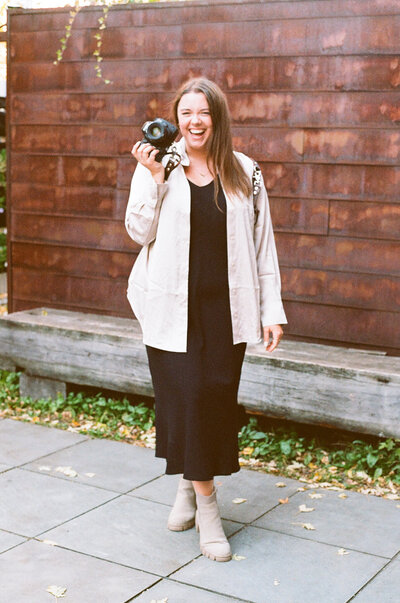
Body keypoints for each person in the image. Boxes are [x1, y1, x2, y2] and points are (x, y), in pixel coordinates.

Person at [125, 77, 287, 562]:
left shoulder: (245, 171)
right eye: (187, 112)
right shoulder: (157, 165)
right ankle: (210, 508)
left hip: (225, 312)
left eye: (204, 112)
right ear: (177, 118)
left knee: (212, 402)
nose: (195, 122)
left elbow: (264, 246)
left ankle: (187, 490)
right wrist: (153, 181)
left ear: (217, 117)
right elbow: (137, 232)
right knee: (188, 399)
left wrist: (271, 310)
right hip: (171, 309)